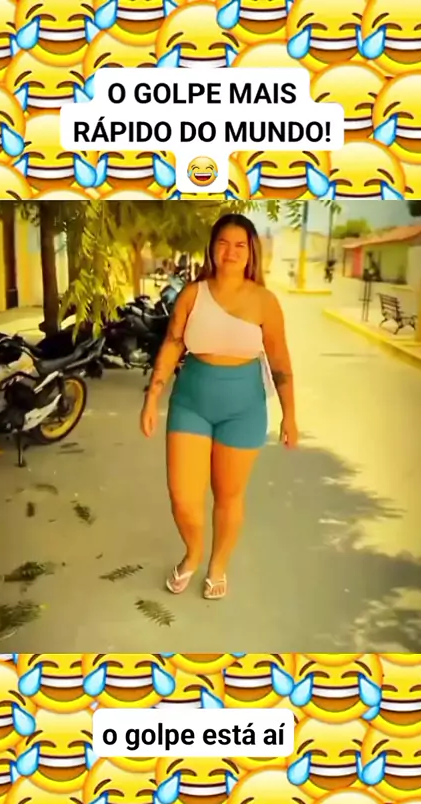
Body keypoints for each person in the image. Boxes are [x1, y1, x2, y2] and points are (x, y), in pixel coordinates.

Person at [140, 214, 297, 600]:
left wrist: (290, 415)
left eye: (240, 245)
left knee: (228, 496)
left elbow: (279, 361)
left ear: (251, 253)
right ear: (212, 248)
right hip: (191, 403)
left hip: (243, 410)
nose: (231, 251)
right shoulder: (192, 295)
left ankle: (218, 565)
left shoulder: (264, 301)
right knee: (183, 497)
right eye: (223, 243)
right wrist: (152, 396)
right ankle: (193, 553)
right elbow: (173, 343)